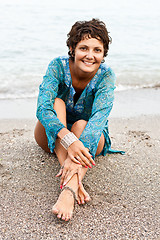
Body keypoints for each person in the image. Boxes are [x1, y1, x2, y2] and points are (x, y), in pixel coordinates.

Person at [34, 18, 124, 221]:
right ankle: (73, 181)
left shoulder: (106, 75)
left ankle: (69, 189)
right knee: (56, 102)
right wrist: (69, 140)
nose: (90, 56)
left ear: (104, 53)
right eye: (84, 48)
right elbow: (43, 109)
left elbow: (98, 121)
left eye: (97, 50)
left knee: (82, 124)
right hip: (53, 135)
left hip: (90, 140)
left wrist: (77, 141)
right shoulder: (57, 66)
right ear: (72, 48)